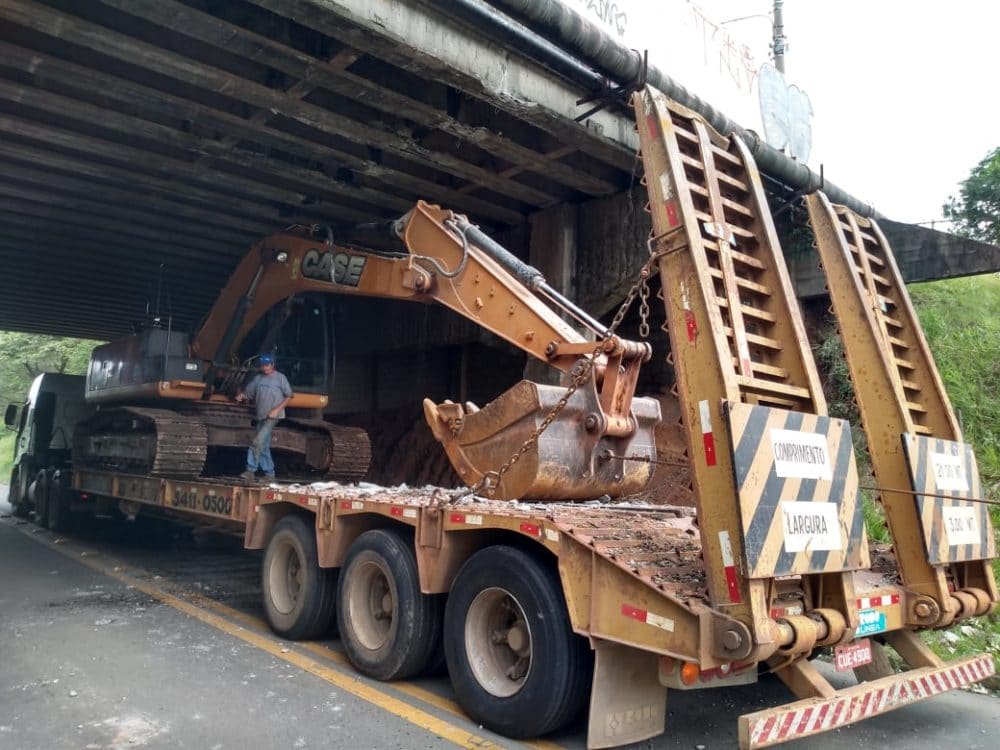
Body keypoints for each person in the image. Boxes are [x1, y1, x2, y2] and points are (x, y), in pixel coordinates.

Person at [236, 353, 293, 481]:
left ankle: (250, 470)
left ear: (272, 364)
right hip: (261, 416)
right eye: (263, 366)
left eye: (267, 365)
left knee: (257, 442)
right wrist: (241, 396)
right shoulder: (258, 379)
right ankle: (270, 474)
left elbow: (289, 396)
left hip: (274, 416)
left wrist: (276, 410)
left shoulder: (280, 378)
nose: (265, 368)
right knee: (263, 445)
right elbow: (248, 393)